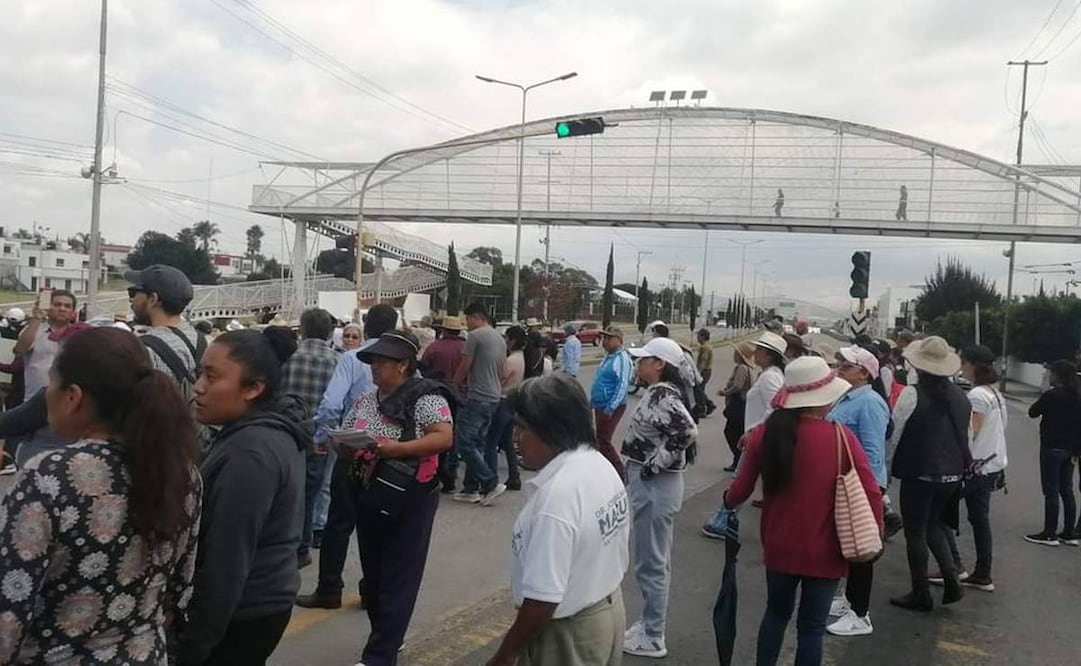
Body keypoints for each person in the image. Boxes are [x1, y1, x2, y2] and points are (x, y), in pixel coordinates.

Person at [0, 327, 202, 664]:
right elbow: (179, 590)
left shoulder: (49, 476)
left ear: (73, 396)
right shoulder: (183, 472)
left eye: (51, 383)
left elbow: (9, 613)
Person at [724, 356, 881, 666]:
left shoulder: (764, 434)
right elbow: (871, 491)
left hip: (780, 546)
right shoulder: (840, 437)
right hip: (828, 551)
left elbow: (739, 491)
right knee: (811, 628)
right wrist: (873, 533)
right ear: (824, 399)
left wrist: (728, 500)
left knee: (775, 614)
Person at [179, 330, 308, 665]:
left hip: (242, 614)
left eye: (212, 377)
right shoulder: (257, 433)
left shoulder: (250, 453)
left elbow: (227, 559)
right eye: (199, 374)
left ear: (254, 388)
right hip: (257, 605)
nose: (198, 387)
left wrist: (193, 645)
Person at [487, 375, 629, 666]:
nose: (515, 438)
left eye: (523, 428)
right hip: (607, 611)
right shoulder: (598, 463)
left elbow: (542, 600)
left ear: (552, 431)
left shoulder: (557, 497)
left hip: (568, 633)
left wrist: (505, 654)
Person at [343, 330, 455, 665]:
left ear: (404, 365)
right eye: (373, 362)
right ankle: (390, 637)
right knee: (374, 574)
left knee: (400, 575)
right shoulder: (366, 399)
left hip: (412, 498)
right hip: (369, 494)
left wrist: (396, 450)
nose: (374, 368)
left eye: (381, 362)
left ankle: (379, 655)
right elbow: (349, 431)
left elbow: (443, 437)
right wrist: (342, 444)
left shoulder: (427, 399)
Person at [299, 305, 396, 610]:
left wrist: (321, 437)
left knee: (340, 523)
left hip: (353, 449)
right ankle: (373, 590)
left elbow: (330, 404)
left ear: (367, 325)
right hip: (389, 452)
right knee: (378, 525)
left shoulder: (352, 359)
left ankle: (330, 588)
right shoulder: (402, 363)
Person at [621, 337, 698, 659]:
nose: (638, 364)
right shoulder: (659, 392)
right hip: (650, 482)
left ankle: (654, 635)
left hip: (655, 484)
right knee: (650, 559)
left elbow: (686, 431)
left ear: (659, 364)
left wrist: (654, 465)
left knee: (652, 563)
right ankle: (649, 623)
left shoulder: (664, 395)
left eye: (643, 359)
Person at [888, 336, 972, 612]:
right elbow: (966, 436)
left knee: (915, 531)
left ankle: (920, 592)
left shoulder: (912, 394)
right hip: (952, 472)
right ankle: (951, 579)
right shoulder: (961, 396)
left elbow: (896, 433)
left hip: (919, 471)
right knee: (935, 524)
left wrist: (886, 470)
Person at [825, 346, 891, 637]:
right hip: (843, 480)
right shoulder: (848, 397)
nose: (840, 367)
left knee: (860, 546)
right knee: (846, 543)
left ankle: (860, 614)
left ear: (864, 373)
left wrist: (870, 491)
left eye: (847, 364)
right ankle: (850, 599)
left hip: (859, 484)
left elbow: (873, 452)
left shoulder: (870, 403)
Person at [932, 345, 1008, 591]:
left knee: (938, 513)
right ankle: (983, 573)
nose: (961, 367)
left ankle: (953, 566)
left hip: (974, 467)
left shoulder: (976, 396)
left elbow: (970, 432)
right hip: (991, 465)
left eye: (963, 362)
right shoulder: (994, 394)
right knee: (979, 519)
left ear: (973, 365)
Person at [281, 308, 340, 569]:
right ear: (329, 332)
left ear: (302, 331)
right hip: (319, 436)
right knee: (310, 494)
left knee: (285, 492)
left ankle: (285, 544)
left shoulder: (288, 358)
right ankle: (302, 547)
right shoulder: (337, 361)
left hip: (286, 432)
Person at [127, 265, 210, 448]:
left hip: (158, 451)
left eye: (134, 292)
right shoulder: (205, 341)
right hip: (196, 449)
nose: (131, 300)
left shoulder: (144, 349)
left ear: (153, 299)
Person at [451, 302, 508, 505]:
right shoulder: (499, 338)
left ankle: (489, 481)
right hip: (494, 396)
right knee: (478, 444)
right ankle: (471, 488)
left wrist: (454, 384)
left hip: (477, 396)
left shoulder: (475, 336)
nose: (466, 324)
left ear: (476, 317)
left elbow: (465, 364)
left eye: (467, 319)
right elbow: (502, 369)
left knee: (464, 442)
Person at [1025, 359, 1081, 547]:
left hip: (1051, 448)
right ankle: (1069, 532)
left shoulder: (1052, 396)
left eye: (1051, 374)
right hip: (1070, 450)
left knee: (1051, 490)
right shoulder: (1077, 396)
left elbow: (1033, 412)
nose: (1049, 377)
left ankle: (1049, 533)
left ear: (1058, 376)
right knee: (1067, 490)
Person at [489, 325, 531, 491]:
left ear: (512, 340)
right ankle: (514, 475)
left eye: (506, 339)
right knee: (507, 441)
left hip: (503, 400)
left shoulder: (511, 360)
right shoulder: (521, 357)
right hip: (511, 402)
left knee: (491, 442)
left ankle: (491, 479)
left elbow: (500, 378)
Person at [13, 288, 77, 398]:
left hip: (66, 401)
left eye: (67, 306)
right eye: (57, 304)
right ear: (48, 307)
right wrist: (37, 318)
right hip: (35, 399)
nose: (62, 309)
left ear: (73, 313)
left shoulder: (78, 334)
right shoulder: (34, 330)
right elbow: (19, 350)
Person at [591, 326, 633, 482]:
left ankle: (620, 472)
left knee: (604, 440)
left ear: (619, 340)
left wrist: (611, 406)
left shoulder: (622, 359)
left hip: (611, 406)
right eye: (604, 338)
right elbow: (599, 380)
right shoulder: (608, 357)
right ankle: (604, 470)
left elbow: (622, 385)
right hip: (600, 405)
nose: (605, 342)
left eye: (609, 339)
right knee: (599, 439)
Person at [718, 342, 755, 474]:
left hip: (738, 403)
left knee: (731, 432)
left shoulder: (741, 368)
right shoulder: (745, 368)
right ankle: (738, 460)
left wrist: (725, 392)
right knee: (736, 431)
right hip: (741, 404)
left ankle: (738, 459)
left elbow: (738, 386)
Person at [420, 316, 466, 382]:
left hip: (438, 387)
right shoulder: (466, 347)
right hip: (461, 388)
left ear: (444, 330)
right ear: (458, 332)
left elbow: (423, 365)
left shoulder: (434, 346)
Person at [696, 328, 717, 416]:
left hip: (704, 371)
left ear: (703, 336)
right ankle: (708, 405)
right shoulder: (708, 346)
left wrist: (698, 373)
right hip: (707, 371)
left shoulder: (704, 347)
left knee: (699, 390)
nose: (697, 338)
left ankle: (702, 408)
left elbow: (703, 360)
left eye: (698, 336)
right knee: (700, 390)